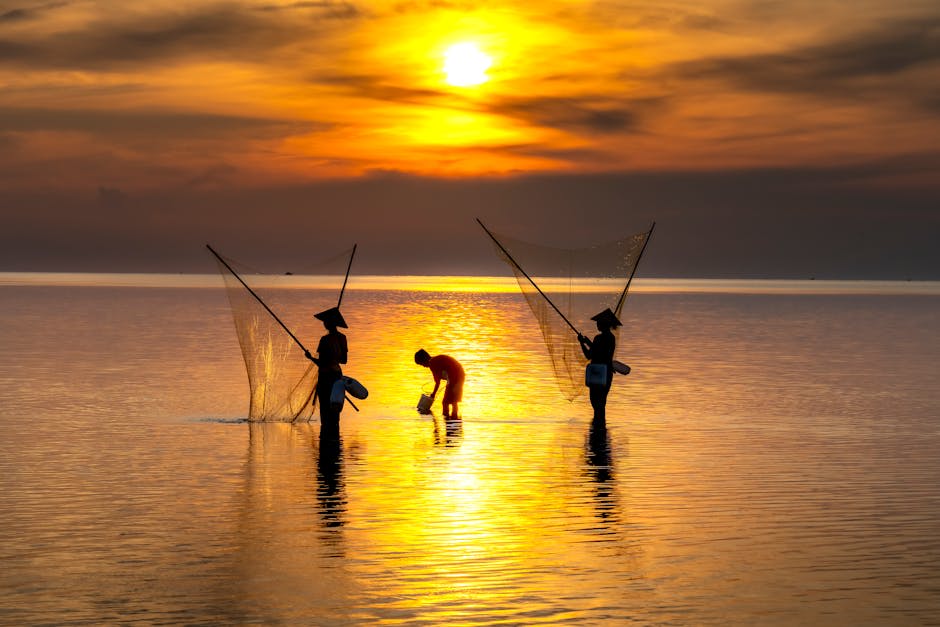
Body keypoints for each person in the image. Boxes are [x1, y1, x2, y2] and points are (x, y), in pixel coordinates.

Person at [305, 306, 348, 426]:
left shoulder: (324, 340)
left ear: (328, 324)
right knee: (335, 411)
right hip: (337, 378)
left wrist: (310, 358)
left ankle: (326, 440)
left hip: (325, 379)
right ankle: (335, 440)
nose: (324, 324)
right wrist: (334, 358)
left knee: (325, 411)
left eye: (325, 322)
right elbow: (344, 360)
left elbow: (322, 363)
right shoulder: (343, 338)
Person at [578, 307, 621, 421]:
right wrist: (587, 342)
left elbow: (589, 355)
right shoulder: (611, 338)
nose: (597, 325)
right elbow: (600, 352)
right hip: (606, 373)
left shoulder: (599, 338)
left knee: (595, 403)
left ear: (604, 324)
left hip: (597, 373)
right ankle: (600, 430)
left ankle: (598, 431)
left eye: (599, 323)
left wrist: (582, 343)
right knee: (601, 403)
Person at [414, 349, 465, 418]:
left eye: (422, 364)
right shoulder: (434, 360)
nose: (423, 366)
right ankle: (453, 421)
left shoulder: (432, 363)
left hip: (455, 376)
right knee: (453, 401)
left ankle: (448, 419)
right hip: (460, 374)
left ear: (424, 359)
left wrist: (433, 394)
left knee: (445, 402)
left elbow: (437, 383)